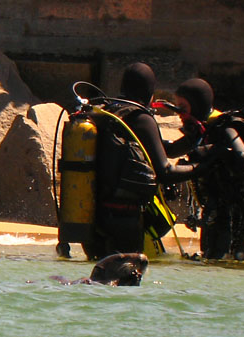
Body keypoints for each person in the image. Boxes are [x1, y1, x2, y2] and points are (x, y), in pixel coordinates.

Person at [85, 63, 204, 260]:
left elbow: (162, 149)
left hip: (92, 218)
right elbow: (165, 172)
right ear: (149, 90)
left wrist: (191, 140)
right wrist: (201, 168)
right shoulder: (141, 118)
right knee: (127, 282)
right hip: (123, 219)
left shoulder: (106, 112)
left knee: (98, 282)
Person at [162, 78, 244, 260]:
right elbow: (172, 151)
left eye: (183, 107)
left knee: (225, 259)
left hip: (235, 211)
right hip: (215, 208)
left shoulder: (225, 127)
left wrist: (213, 153)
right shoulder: (201, 131)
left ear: (197, 105)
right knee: (210, 258)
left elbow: (243, 156)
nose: (179, 113)